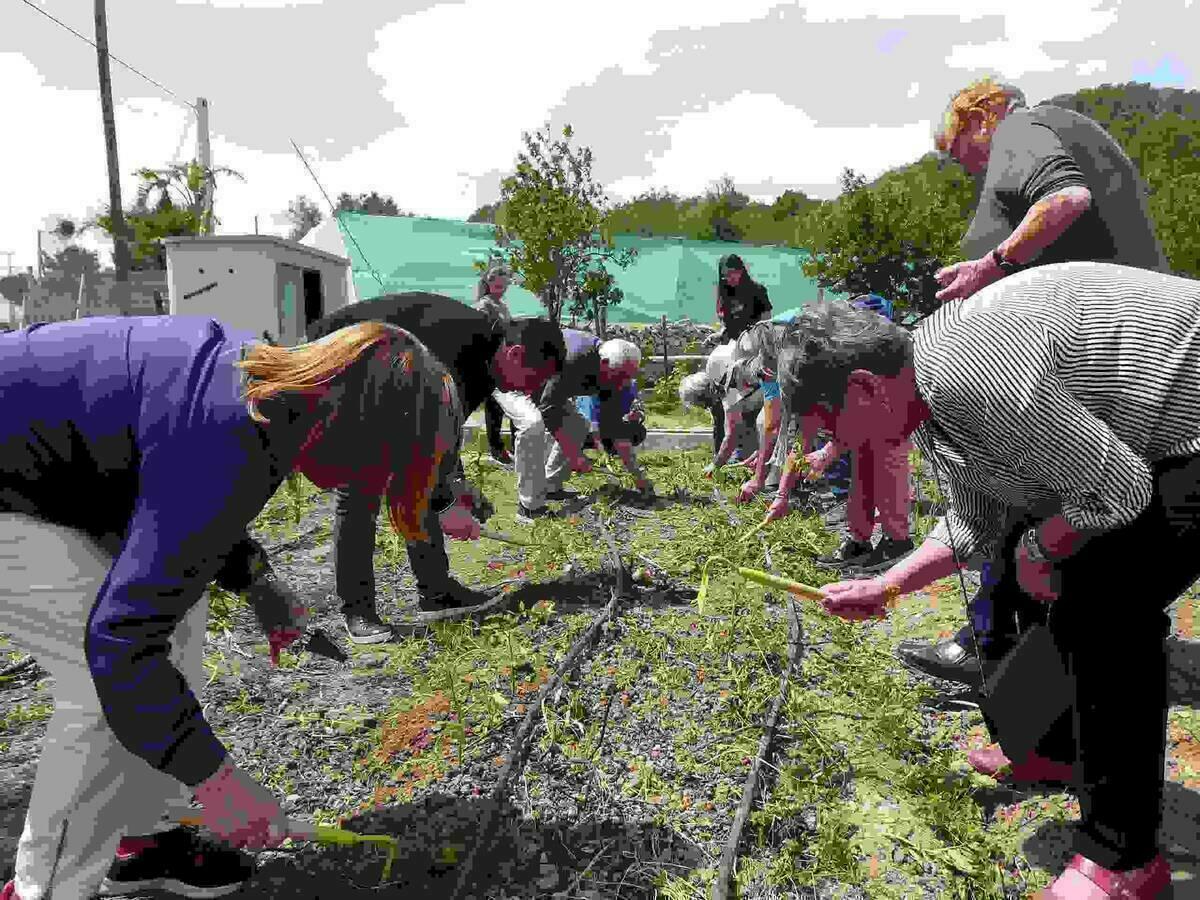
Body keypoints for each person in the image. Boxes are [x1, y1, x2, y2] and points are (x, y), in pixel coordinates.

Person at [0, 315, 465, 900]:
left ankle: (148, 838)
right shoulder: (233, 426)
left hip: (49, 475)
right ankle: (46, 891)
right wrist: (218, 781)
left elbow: (179, 500)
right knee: (102, 682)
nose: (368, 484)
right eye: (381, 465)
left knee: (174, 619)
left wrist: (256, 582)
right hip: (8, 485)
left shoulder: (269, 395)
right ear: (354, 424)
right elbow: (119, 646)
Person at [783, 266, 1199, 898]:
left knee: (1102, 595)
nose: (837, 446)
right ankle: (1057, 750)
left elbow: (1118, 491)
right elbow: (975, 521)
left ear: (864, 388)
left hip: (1188, 427)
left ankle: (1123, 859)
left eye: (831, 428)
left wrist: (1043, 544)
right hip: (1147, 448)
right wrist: (889, 586)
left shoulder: (970, 373)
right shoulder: (925, 399)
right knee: (1008, 571)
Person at [898, 76, 1171, 687]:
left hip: (1083, 351)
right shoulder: (1078, 134)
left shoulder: (1020, 130)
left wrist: (990, 266)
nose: (962, 165)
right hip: (1117, 351)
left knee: (1031, 497)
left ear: (979, 119)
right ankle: (1043, 647)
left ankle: (1017, 658)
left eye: (955, 148)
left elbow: (1065, 199)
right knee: (1075, 507)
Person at [306, 293, 565, 642]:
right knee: (361, 486)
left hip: (383, 382)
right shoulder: (456, 346)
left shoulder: (487, 366)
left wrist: (454, 486)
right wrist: (445, 504)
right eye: (534, 381)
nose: (530, 392)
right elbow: (422, 434)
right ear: (516, 355)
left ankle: (436, 591)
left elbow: (445, 434)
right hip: (337, 366)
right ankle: (358, 610)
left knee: (424, 484)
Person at [767, 295, 916, 574]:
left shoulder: (838, 358)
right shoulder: (806, 370)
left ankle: (897, 542)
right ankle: (859, 542)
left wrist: (827, 452)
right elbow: (807, 434)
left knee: (888, 467)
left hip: (891, 409)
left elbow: (833, 420)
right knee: (862, 475)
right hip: (865, 406)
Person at [522, 333, 654, 520]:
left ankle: (551, 487)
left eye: (629, 377)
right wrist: (575, 455)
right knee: (532, 428)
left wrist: (637, 475)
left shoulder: (616, 377)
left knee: (576, 425)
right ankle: (528, 507)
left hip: (553, 392)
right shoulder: (572, 361)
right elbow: (548, 407)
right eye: (622, 377)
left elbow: (613, 428)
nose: (624, 383)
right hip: (524, 375)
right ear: (604, 364)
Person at [473, 263, 517, 466]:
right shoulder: (484, 305)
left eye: (505, 285)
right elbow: (482, 333)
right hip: (490, 361)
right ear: (489, 283)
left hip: (505, 360)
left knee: (502, 406)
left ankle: (507, 447)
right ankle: (495, 448)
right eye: (499, 286)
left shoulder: (501, 304)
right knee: (495, 406)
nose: (503, 289)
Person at [704, 254, 772, 347]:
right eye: (725, 276)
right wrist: (720, 335)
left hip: (753, 343)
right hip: (733, 343)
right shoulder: (725, 294)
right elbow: (729, 325)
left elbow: (766, 324)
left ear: (741, 271)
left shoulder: (757, 291)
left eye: (732, 273)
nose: (729, 278)